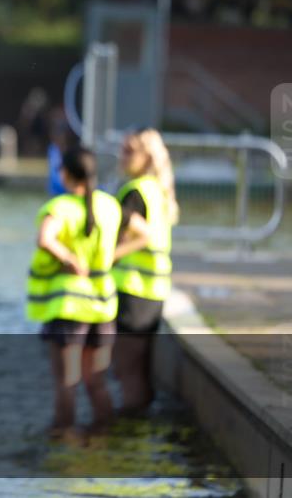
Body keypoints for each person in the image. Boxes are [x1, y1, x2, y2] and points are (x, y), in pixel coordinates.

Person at [26, 146, 121, 439]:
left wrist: (68, 258)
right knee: (97, 382)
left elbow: (45, 239)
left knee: (67, 381)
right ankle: (103, 439)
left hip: (69, 308)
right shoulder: (110, 206)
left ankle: (63, 439)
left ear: (65, 174)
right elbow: (141, 232)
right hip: (103, 305)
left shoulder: (61, 207)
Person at [111, 128, 178, 412]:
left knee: (128, 371)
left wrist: (108, 256)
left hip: (133, 291)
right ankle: (140, 434)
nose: (122, 156)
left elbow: (144, 236)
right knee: (140, 370)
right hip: (154, 292)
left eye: (129, 150)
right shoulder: (158, 190)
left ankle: (128, 434)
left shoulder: (135, 191)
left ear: (145, 156)